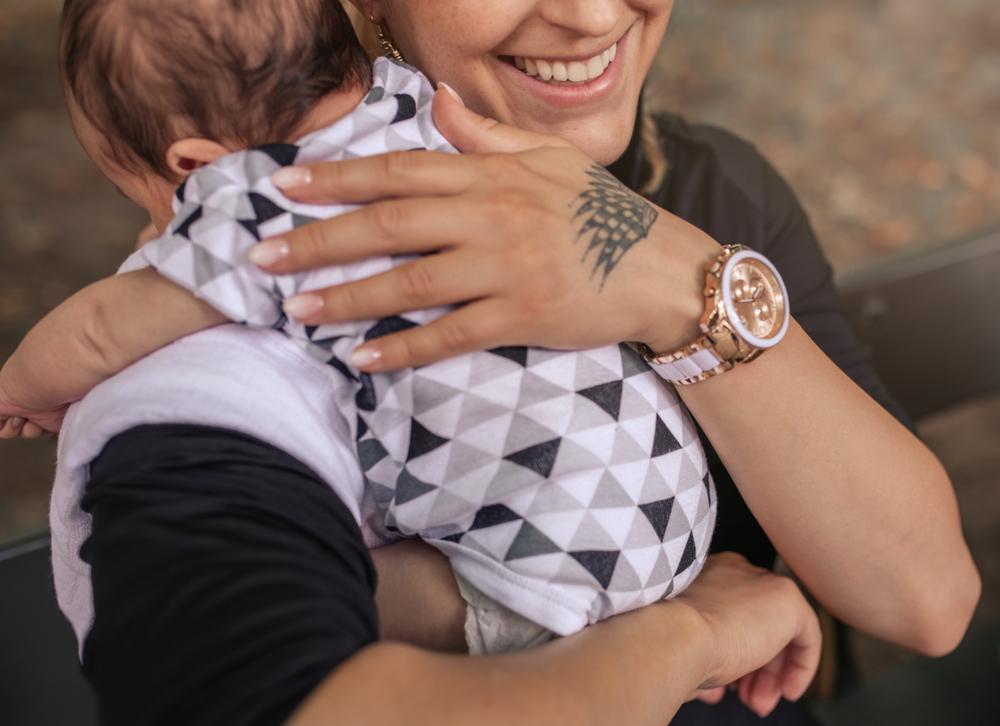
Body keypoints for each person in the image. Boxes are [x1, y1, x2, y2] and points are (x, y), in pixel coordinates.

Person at [23, 0, 984, 724]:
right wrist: (692, 632)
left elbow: (929, 600)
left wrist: (672, 276)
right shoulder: (216, 371)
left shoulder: (708, 186)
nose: (594, 14)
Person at [0, 0, 718, 655]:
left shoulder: (263, 205)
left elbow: (100, 328)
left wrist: (21, 388)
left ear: (195, 169)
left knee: (288, 600)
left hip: (556, 569)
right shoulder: (425, 109)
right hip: (675, 501)